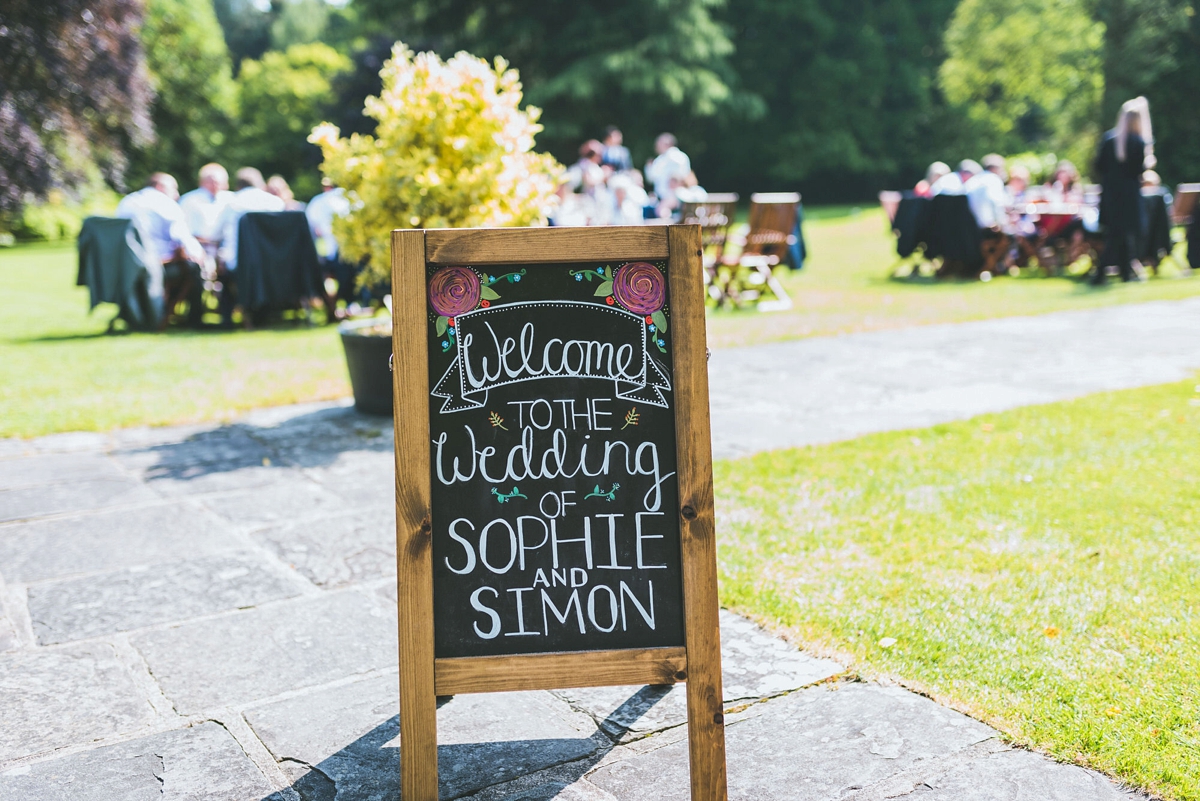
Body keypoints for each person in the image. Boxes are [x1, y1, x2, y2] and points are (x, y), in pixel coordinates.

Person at [115, 173, 206, 326]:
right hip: (157, 266)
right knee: (194, 269)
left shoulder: (127, 202)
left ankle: (149, 313)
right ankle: (192, 320)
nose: (176, 195)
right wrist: (199, 253)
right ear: (160, 187)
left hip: (126, 268)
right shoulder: (165, 204)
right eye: (174, 189)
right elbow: (182, 237)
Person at [216, 167, 286, 325]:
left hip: (240, 265)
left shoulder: (231, 204)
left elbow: (218, 233)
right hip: (273, 264)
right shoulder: (276, 203)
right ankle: (270, 312)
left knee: (223, 274)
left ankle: (227, 318)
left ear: (238, 185)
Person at [1094, 98, 1151, 284]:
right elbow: (1139, 170)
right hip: (1128, 196)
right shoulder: (1137, 142)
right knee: (1120, 236)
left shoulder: (1109, 140)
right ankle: (1101, 274)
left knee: (1119, 235)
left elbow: (1099, 166)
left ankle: (1125, 274)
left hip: (1111, 195)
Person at [306, 178, 354, 317]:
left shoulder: (319, 203)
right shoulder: (344, 199)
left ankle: (336, 306)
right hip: (334, 256)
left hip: (335, 256)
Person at [179, 163, 232, 245]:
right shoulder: (189, 200)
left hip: (225, 247)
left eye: (218, 182)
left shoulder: (230, 199)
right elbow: (183, 228)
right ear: (201, 182)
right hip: (197, 246)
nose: (214, 185)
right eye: (210, 182)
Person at [645, 133, 691, 214]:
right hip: (671, 196)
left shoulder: (662, 159)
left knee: (662, 212)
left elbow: (651, 177)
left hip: (672, 196)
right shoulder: (682, 156)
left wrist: (648, 167)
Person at [965, 154, 1009, 229]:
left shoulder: (973, 180)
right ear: (994, 169)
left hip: (969, 227)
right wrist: (1002, 223)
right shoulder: (994, 179)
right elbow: (996, 203)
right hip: (987, 228)